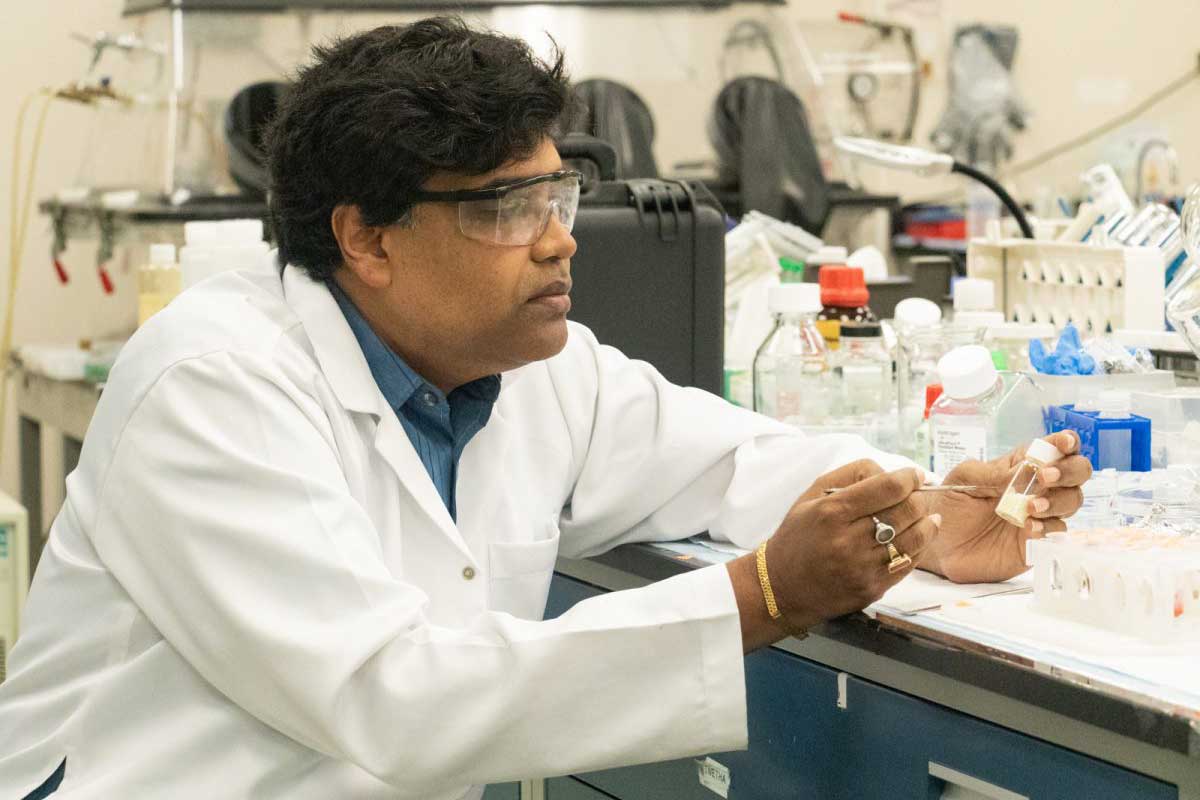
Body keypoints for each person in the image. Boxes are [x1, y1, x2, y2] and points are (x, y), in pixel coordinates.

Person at [0, 18, 1089, 800]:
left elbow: (730, 459)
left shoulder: (528, 363)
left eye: (557, 193)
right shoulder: (213, 383)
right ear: (365, 238)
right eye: (504, 208)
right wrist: (757, 594)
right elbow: (394, 694)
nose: (559, 236)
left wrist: (923, 512)